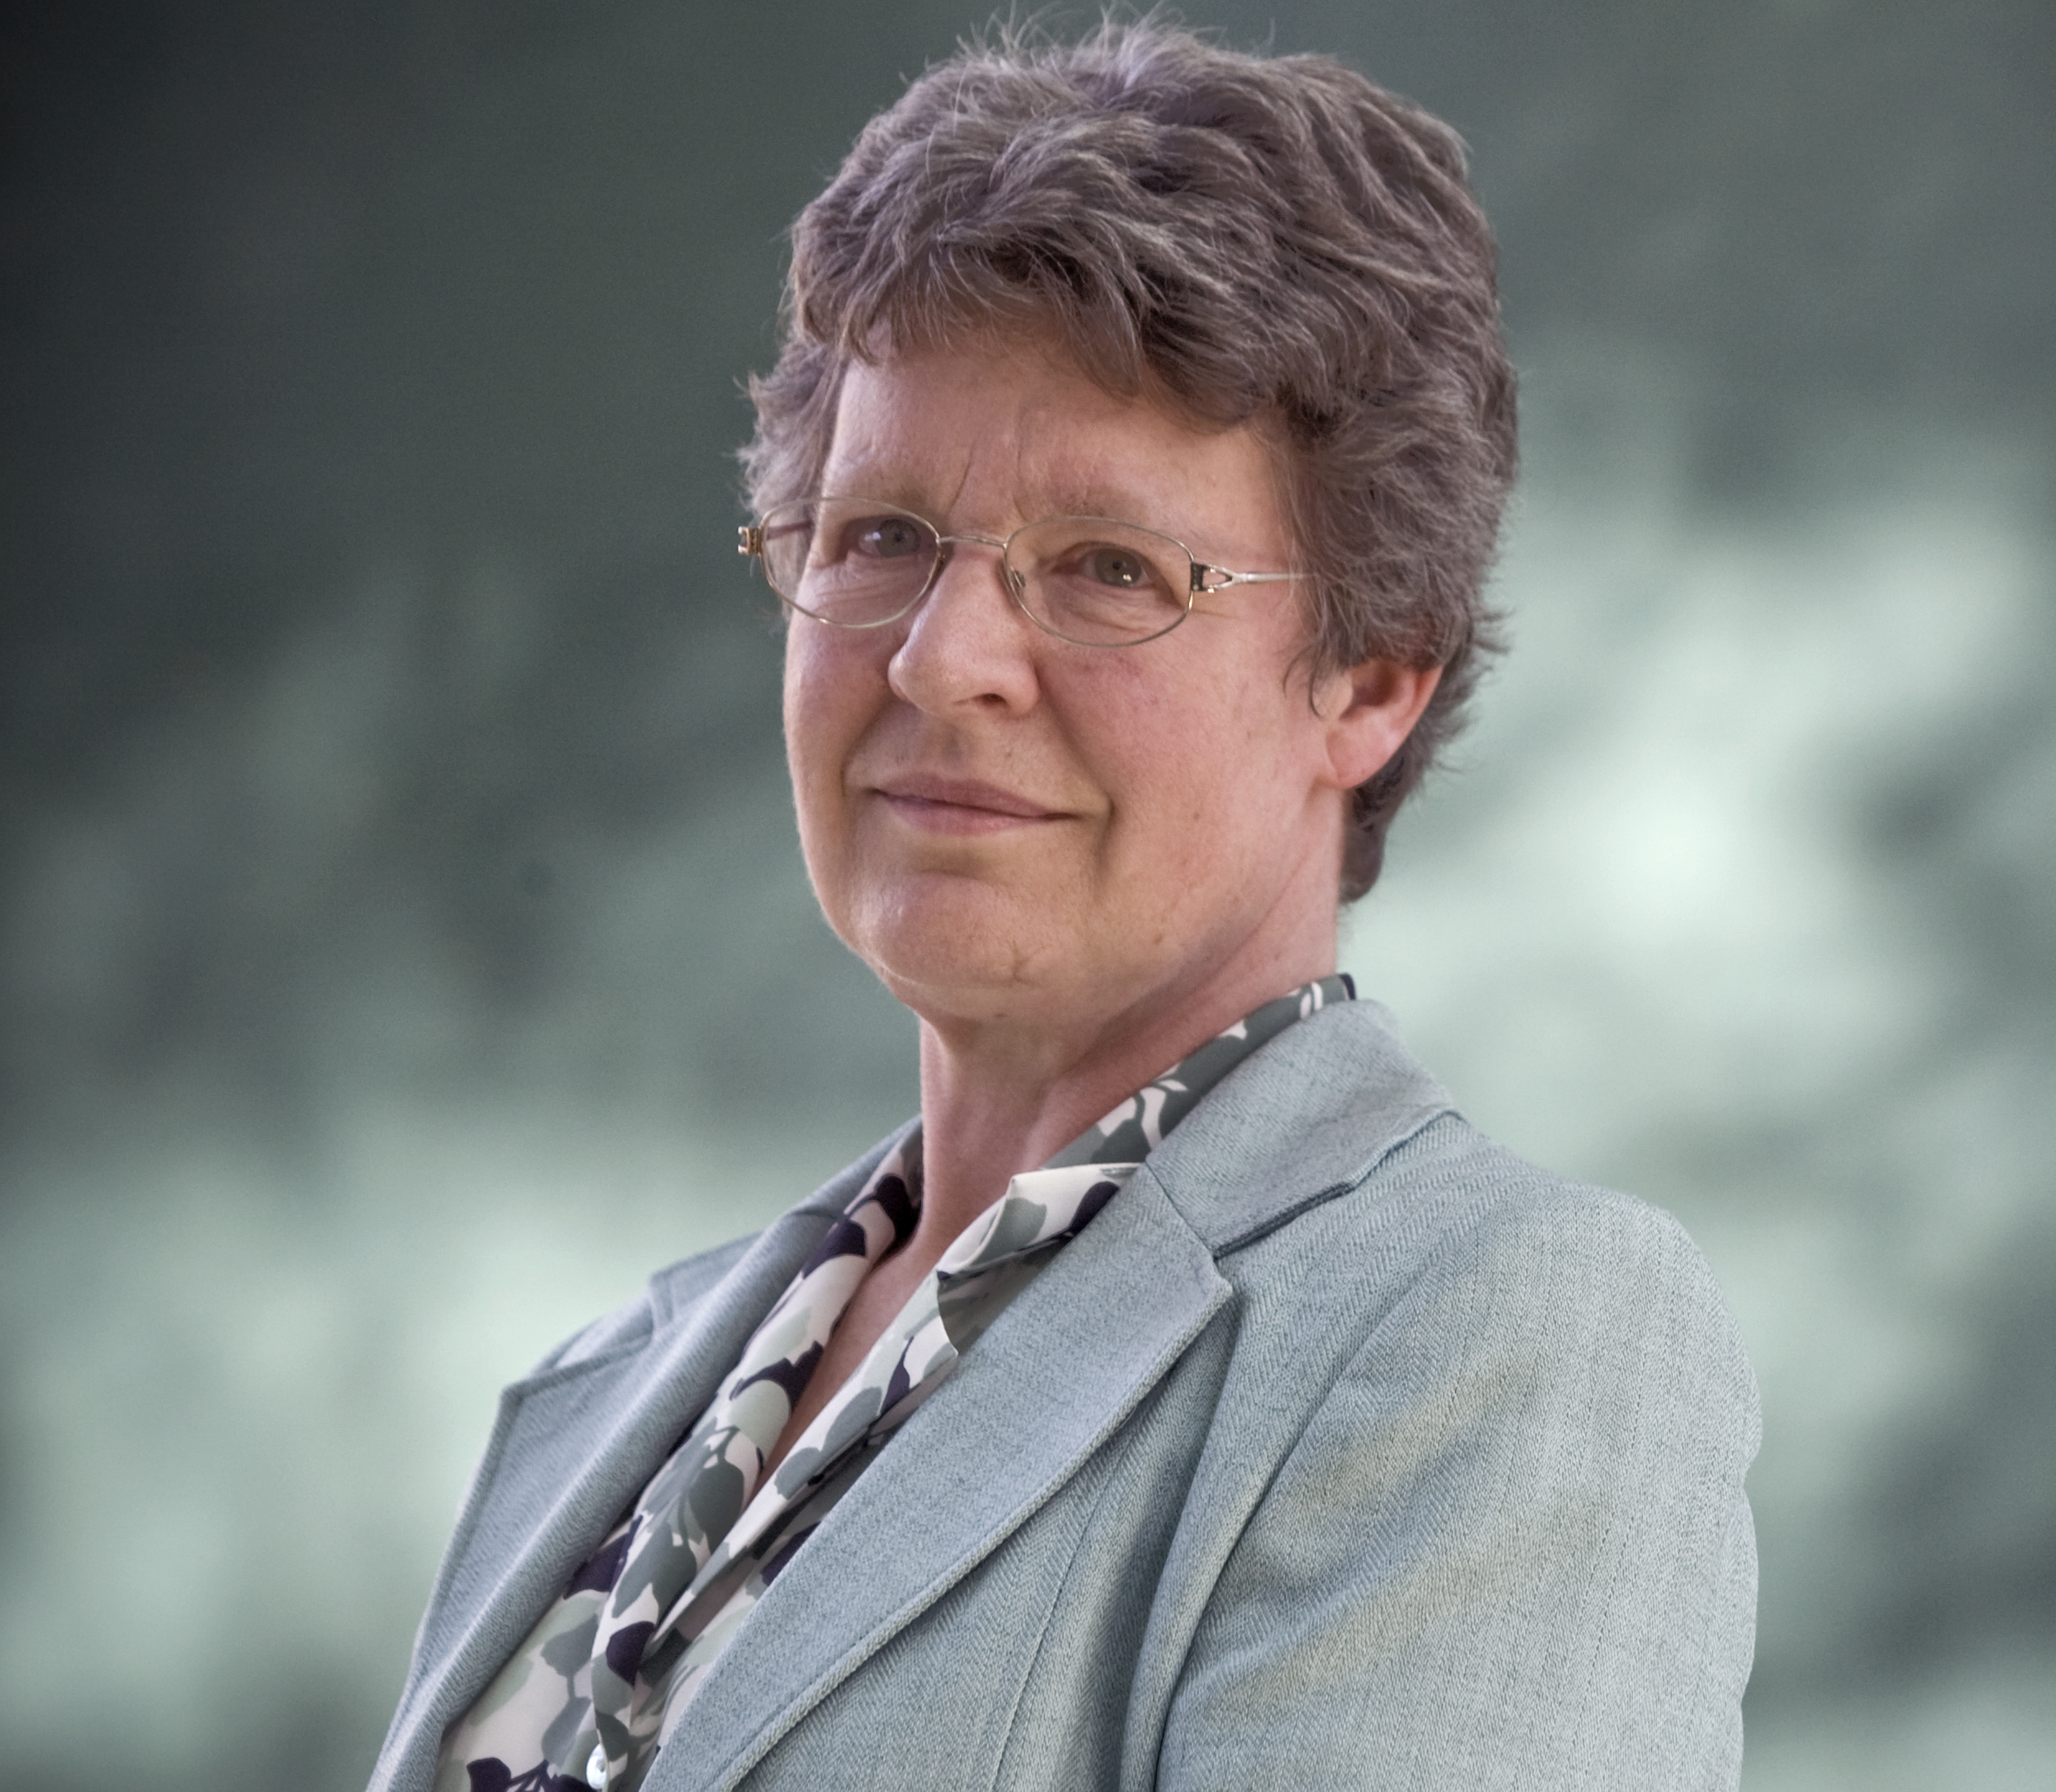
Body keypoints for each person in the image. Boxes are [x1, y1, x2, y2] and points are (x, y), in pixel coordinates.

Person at [364, 22, 1757, 1792]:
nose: (945, 662)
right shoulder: (615, 1384)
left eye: (1110, 569)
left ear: (1373, 681)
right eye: (877, 535)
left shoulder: (1493, 1336)